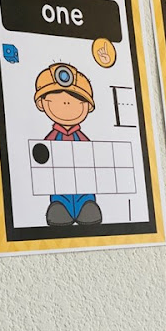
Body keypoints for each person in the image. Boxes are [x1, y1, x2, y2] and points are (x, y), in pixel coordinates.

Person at [34, 63, 102, 226]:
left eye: (78, 100)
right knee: (59, 200)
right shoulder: (51, 139)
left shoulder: (83, 139)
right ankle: (61, 207)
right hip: (60, 188)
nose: (67, 103)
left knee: (86, 200)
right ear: (42, 103)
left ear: (88, 106)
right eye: (56, 96)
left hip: (83, 188)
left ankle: (85, 205)